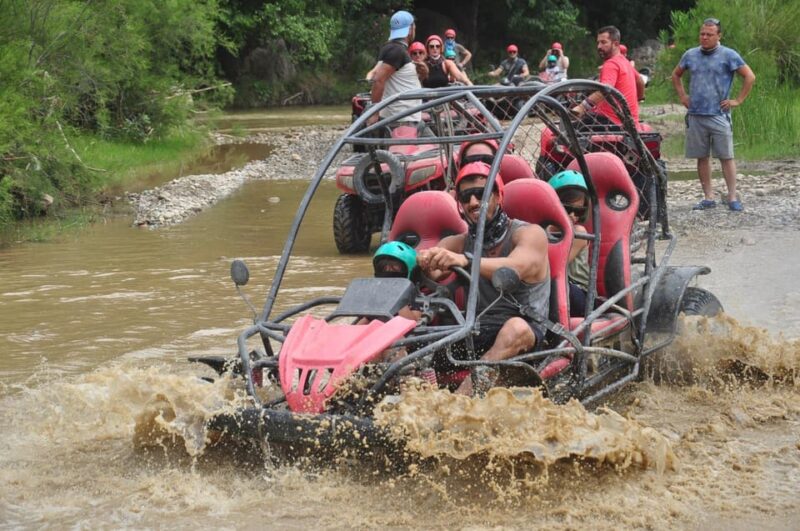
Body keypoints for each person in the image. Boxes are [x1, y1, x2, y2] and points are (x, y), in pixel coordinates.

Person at [416, 162, 550, 395]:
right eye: (466, 197)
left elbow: (516, 267)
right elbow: (434, 271)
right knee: (410, 314)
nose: (474, 203)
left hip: (523, 331)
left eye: (481, 194)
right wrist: (424, 261)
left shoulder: (529, 234)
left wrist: (464, 261)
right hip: (475, 330)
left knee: (514, 328)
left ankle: (459, 403)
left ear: (498, 197)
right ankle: (400, 388)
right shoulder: (458, 242)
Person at [671, 17, 755, 212]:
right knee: (702, 157)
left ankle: (732, 197)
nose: (705, 37)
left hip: (719, 114)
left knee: (726, 156)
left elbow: (749, 76)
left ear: (719, 35)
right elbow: (676, 75)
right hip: (696, 114)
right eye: (702, 34)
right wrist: (683, 95)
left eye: (709, 34)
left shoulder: (729, 55)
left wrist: (738, 100)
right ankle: (708, 197)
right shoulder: (690, 55)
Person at [571, 26, 644, 127]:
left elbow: (605, 89)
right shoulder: (625, 62)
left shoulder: (611, 64)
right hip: (629, 121)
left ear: (616, 44)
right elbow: (640, 81)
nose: (599, 46)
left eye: (603, 42)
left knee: (563, 133)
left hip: (610, 121)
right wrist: (639, 99)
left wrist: (582, 107)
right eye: (598, 42)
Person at [548, 170, 591, 317]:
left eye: (578, 211)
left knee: (553, 287)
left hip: (578, 292)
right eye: (567, 209)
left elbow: (556, 266)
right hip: (554, 286)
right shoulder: (545, 228)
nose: (572, 216)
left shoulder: (579, 233)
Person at [368, 10, 422, 126]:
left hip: (406, 116)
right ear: (410, 29)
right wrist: (374, 112)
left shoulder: (392, 48)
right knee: (437, 143)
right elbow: (379, 80)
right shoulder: (396, 50)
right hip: (403, 118)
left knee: (434, 142)